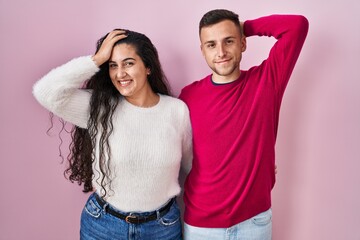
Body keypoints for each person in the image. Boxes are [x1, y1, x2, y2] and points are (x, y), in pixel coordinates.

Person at [33, 29, 192, 240]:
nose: (120, 73)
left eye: (128, 63)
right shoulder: (100, 107)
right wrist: (96, 59)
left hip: (162, 227)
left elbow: (191, 167)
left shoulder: (177, 110)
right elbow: (45, 91)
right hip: (103, 226)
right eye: (112, 65)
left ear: (148, 67)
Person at [179, 9, 309, 239]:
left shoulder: (267, 81)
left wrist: (246, 26)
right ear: (202, 50)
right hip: (201, 226)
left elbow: (297, 26)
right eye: (211, 45)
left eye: (229, 41)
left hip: (254, 222)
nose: (221, 52)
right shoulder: (188, 96)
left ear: (242, 43)